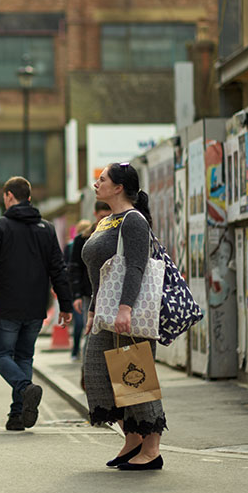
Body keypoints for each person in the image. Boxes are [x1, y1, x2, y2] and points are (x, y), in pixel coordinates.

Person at [82, 163, 167, 470]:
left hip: (127, 313)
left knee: (134, 376)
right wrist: (93, 310)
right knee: (96, 376)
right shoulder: (107, 221)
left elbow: (135, 267)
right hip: (105, 311)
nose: (96, 183)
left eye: (101, 179)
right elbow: (97, 272)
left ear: (118, 187)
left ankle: (152, 449)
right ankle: (132, 439)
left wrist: (125, 308)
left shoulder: (133, 220)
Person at [0, 176, 73, 431]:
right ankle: (17, 415)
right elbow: (58, 268)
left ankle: (24, 387)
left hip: (8, 303)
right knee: (24, 357)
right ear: (29, 197)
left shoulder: (0, 226)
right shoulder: (47, 228)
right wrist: (65, 304)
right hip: (36, 306)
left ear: (9, 196)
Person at [69, 201, 111, 370]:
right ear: (95, 215)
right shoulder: (83, 239)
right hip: (90, 293)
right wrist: (77, 295)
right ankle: (88, 372)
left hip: (112, 292)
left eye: (108, 215)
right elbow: (74, 268)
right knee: (91, 332)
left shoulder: (118, 234)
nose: (105, 219)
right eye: (102, 216)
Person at [64, 219, 92, 361]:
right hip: (77, 291)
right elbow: (71, 268)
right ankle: (75, 350)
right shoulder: (72, 245)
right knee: (80, 323)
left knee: (85, 324)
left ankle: (82, 352)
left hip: (86, 290)